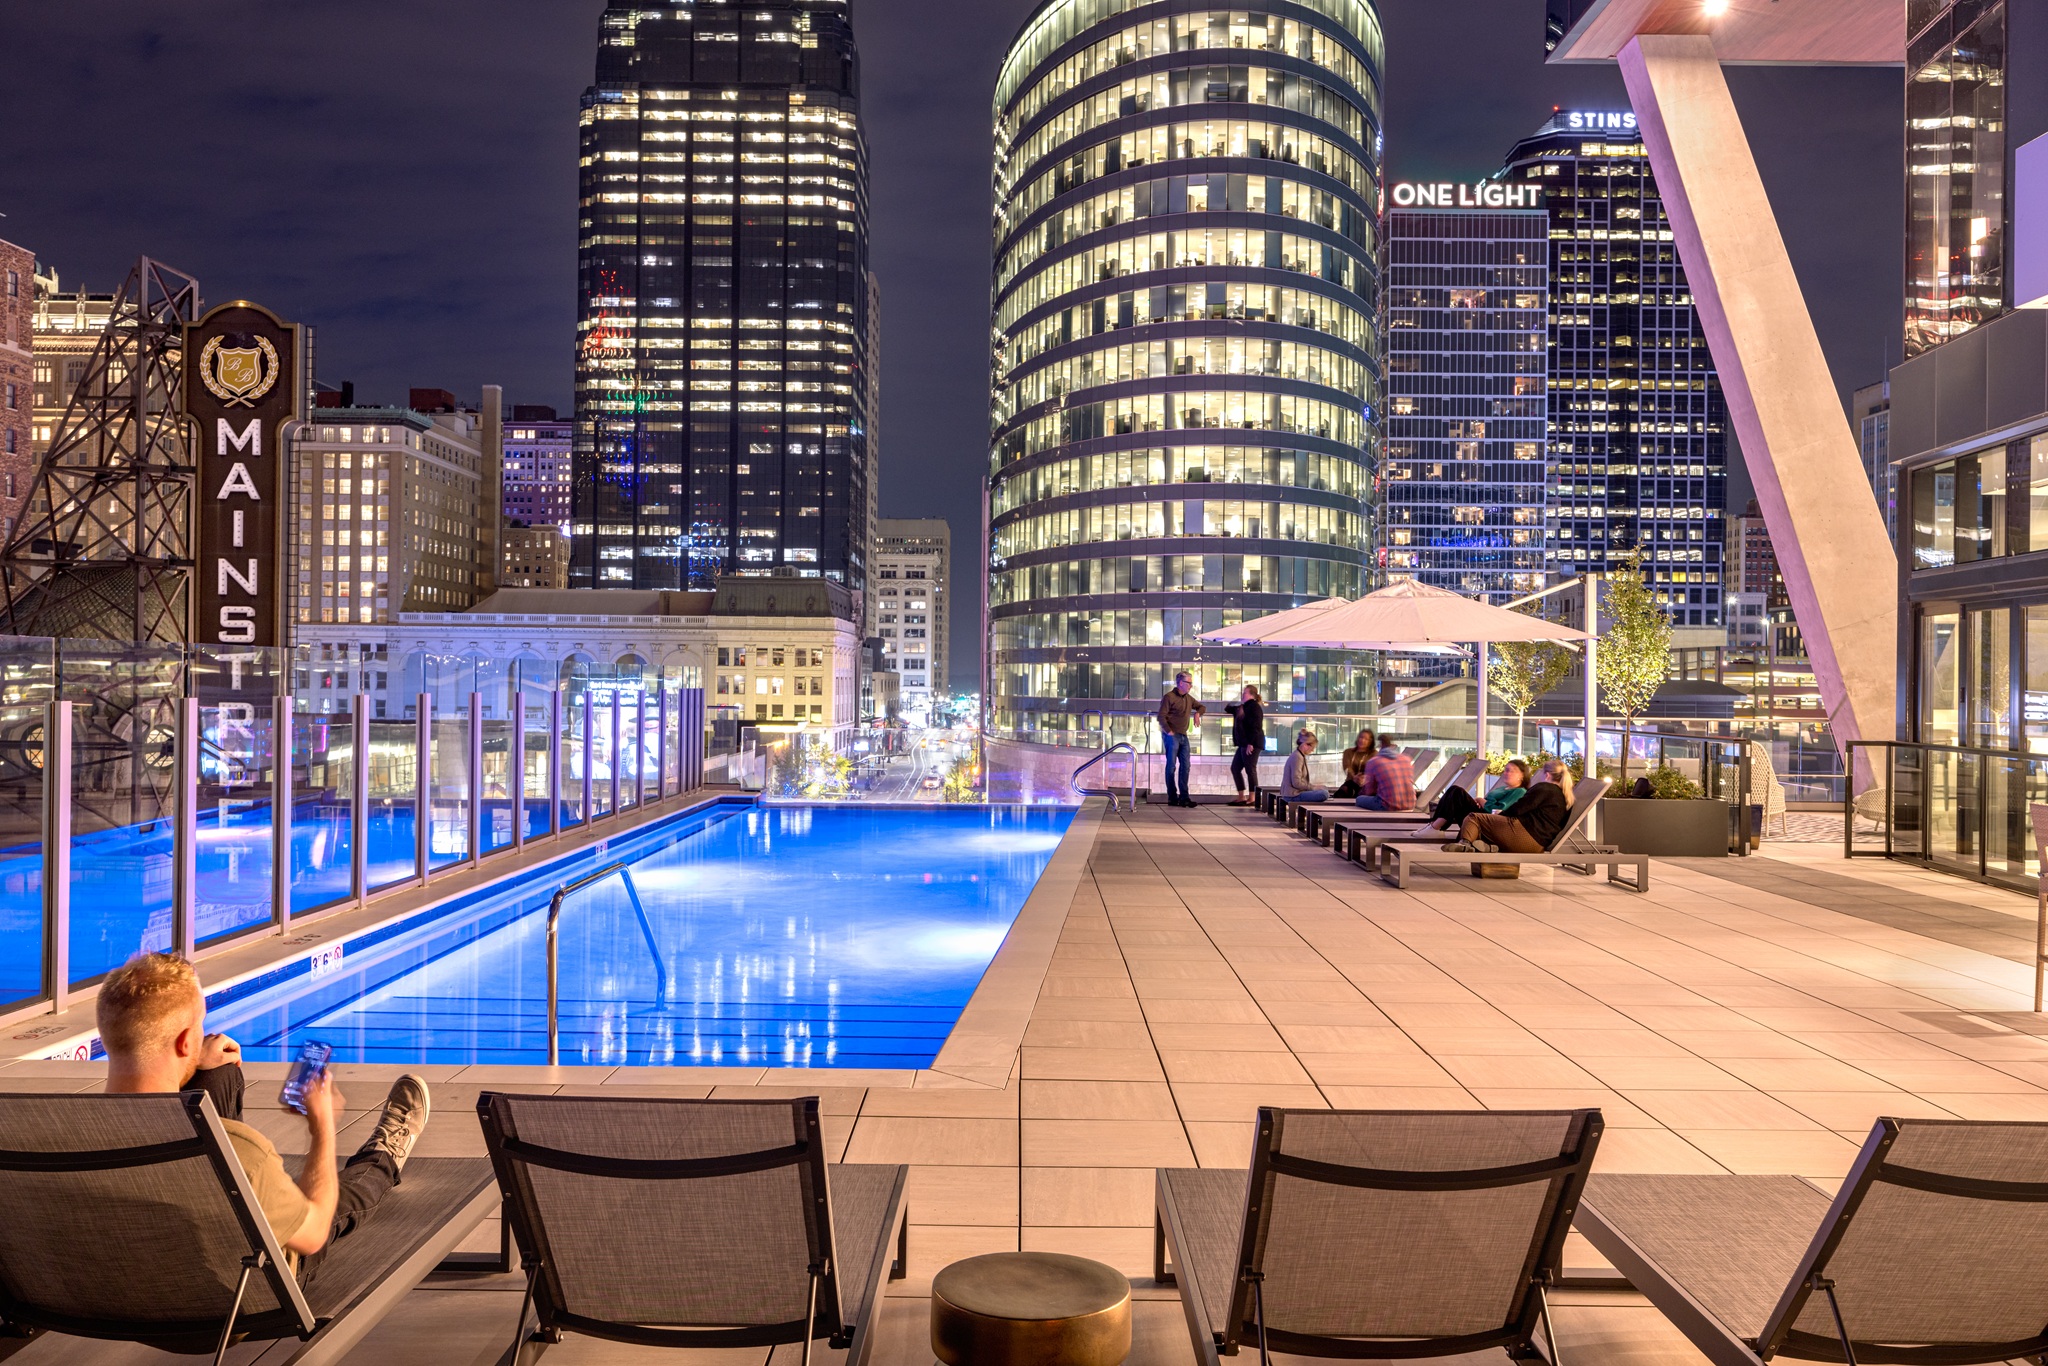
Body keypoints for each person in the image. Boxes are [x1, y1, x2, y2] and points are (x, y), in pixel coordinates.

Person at [97, 953, 431, 1280]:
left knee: (221, 1075)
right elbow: (312, 1234)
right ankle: (382, 1159)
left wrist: (182, 1060)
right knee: (330, 1204)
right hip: (232, 1295)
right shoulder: (242, 1152)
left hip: (113, 1295)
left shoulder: (54, 1134)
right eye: (199, 1026)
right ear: (185, 1042)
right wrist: (323, 1127)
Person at [1449, 757, 1573, 854]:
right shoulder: (1567, 798)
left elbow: (1518, 808)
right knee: (1486, 825)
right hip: (1539, 845)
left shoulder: (1545, 788)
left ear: (1547, 775)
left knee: (1474, 818)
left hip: (1523, 837)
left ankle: (1464, 845)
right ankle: (1489, 848)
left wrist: (1501, 815)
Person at [1428, 758, 1528, 831]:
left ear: (1522, 776)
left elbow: (1499, 811)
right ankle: (1434, 825)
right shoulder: (1503, 788)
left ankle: (1435, 827)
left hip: (1487, 822)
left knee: (1457, 792)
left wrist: (1482, 801)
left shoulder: (1519, 791)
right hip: (1480, 815)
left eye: (1512, 771)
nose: (1507, 773)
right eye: (1506, 770)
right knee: (1453, 790)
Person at [1156, 671, 1205, 808]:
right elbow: (1161, 716)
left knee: (1186, 766)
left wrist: (1197, 714)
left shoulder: (1188, 698)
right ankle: (1172, 797)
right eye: (1189, 683)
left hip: (1183, 736)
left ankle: (1184, 797)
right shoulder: (1169, 697)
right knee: (1171, 766)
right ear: (1181, 683)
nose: (1191, 685)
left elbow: (1202, 707)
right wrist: (1169, 731)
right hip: (1172, 736)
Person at [1223, 684, 1265, 806]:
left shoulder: (1254, 707)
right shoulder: (1242, 707)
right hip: (1243, 743)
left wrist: (1250, 743)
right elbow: (1227, 708)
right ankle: (1242, 796)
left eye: (1245, 693)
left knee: (1250, 769)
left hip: (1252, 743)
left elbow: (1256, 726)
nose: (1242, 694)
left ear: (1252, 695)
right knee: (1235, 768)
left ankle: (1253, 797)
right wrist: (1236, 698)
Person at [1353, 738, 1416, 811]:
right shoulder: (1406, 759)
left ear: (1379, 747)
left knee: (1359, 799)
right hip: (1410, 805)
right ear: (1392, 746)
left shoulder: (1373, 762)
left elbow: (1369, 791)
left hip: (1387, 806)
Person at [1278, 730, 1328, 803]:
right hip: (1293, 795)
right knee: (1324, 794)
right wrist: (1313, 788)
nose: (1313, 750)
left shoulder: (1299, 756)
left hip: (1295, 793)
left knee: (1324, 790)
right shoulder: (1297, 757)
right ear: (1305, 745)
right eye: (1312, 747)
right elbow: (1296, 783)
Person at [1332, 730, 1375, 800]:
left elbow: (1375, 770)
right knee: (1341, 793)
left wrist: (1365, 778)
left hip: (1367, 783)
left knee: (1365, 795)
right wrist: (1354, 777)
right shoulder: (1348, 752)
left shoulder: (1374, 754)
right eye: (1361, 737)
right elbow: (1347, 767)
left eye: (1366, 739)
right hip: (1351, 781)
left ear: (1370, 741)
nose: (1362, 740)